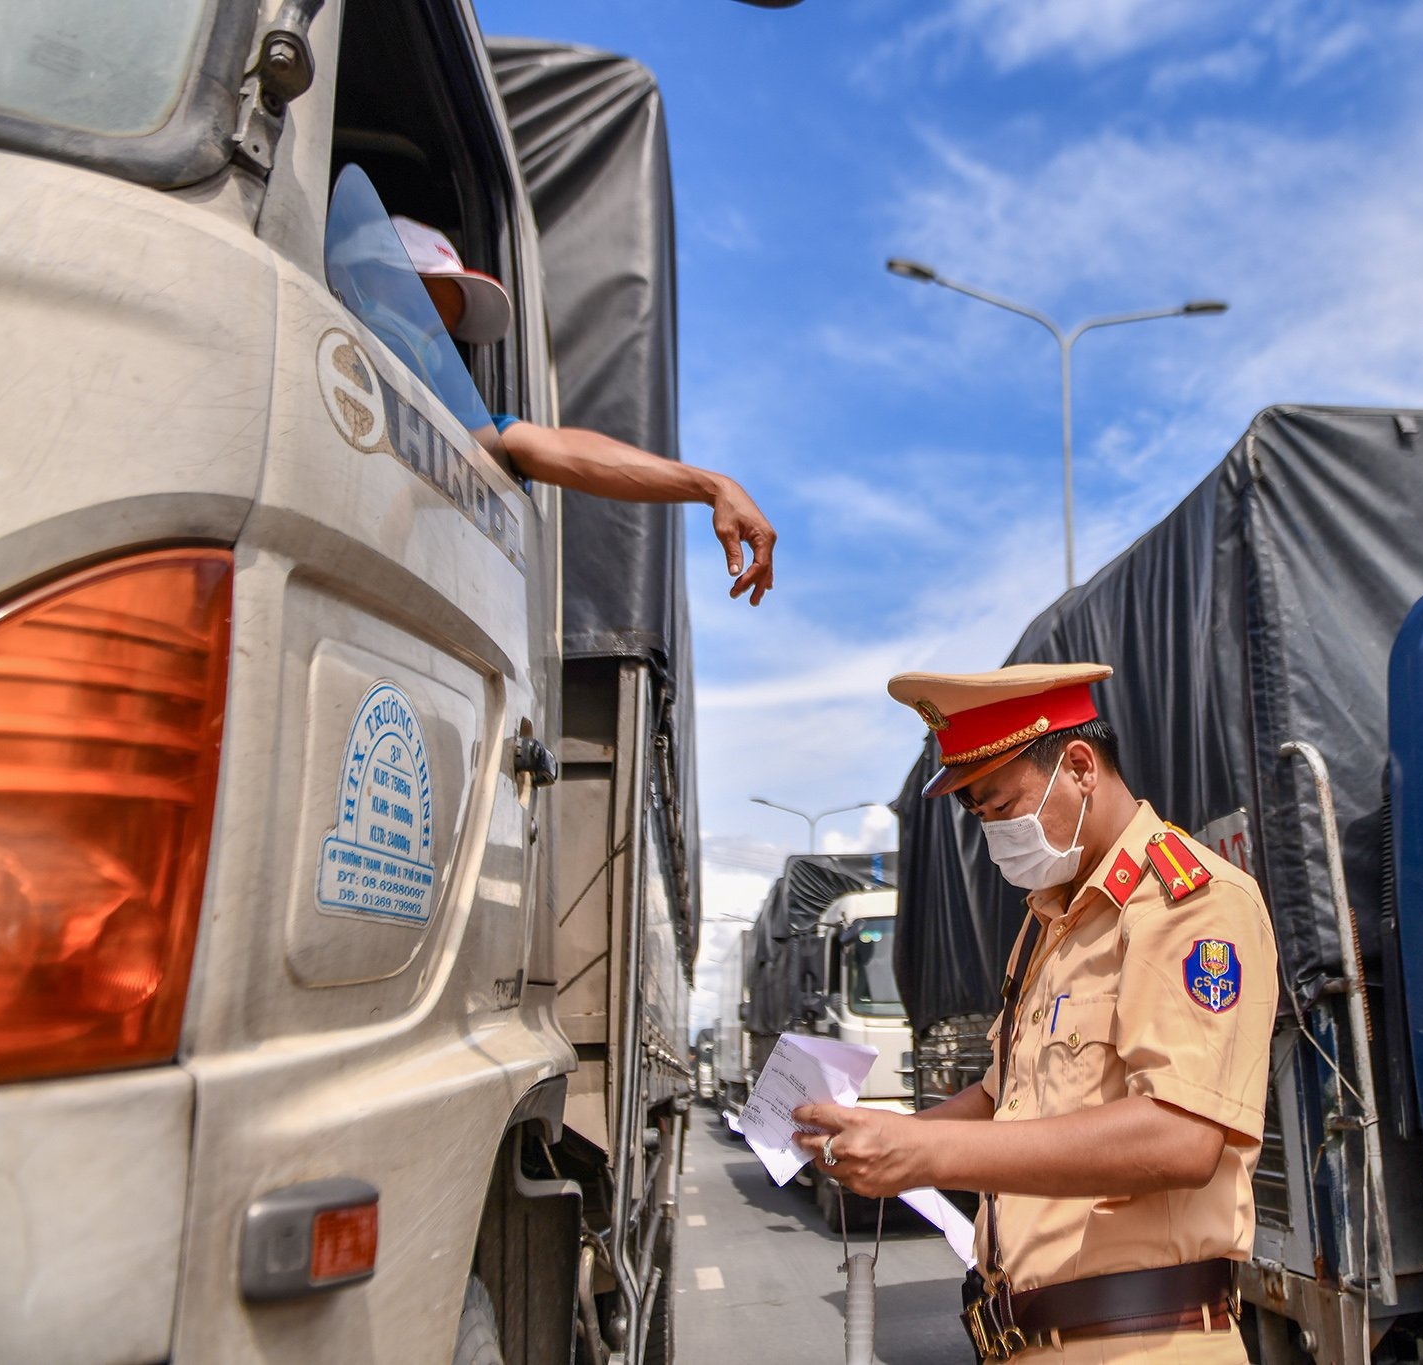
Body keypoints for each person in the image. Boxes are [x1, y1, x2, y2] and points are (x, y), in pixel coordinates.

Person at [792, 663, 1277, 1363]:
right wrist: (883, 1138)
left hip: (1140, 1341)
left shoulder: (1190, 904)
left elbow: (1181, 1134)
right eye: (979, 817)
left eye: (1003, 805)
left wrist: (923, 1153)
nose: (993, 834)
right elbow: (1003, 1098)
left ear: (1080, 766)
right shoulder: (1048, 921)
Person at [392, 214, 777, 605]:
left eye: (443, 331)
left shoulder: (466, 429)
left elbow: (562, 449)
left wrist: (715, 487)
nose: (432, 343)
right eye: (421, 309)